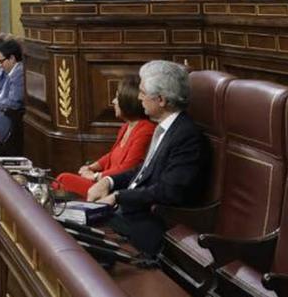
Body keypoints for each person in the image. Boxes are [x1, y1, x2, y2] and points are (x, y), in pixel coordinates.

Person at [87, 60, 208, 256]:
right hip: (129, 212)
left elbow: (168, 192)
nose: (139, 97)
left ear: (160, 100)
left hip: (150, 222)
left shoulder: (187, 136)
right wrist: (108, 182)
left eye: (143, 92)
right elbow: (143, 171)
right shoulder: (162, 127)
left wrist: (118, 196)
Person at [54, 77, 153, 197]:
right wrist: (90, 167)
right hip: (103, 180)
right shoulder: (126, 126)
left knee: (63, 180)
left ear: (128, 101)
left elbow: (128, 168)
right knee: (63, 181)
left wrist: (95, 176)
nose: (113, 101)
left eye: (117, 97)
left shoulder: (146, 130)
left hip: (114, 188)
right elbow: (111, 156)